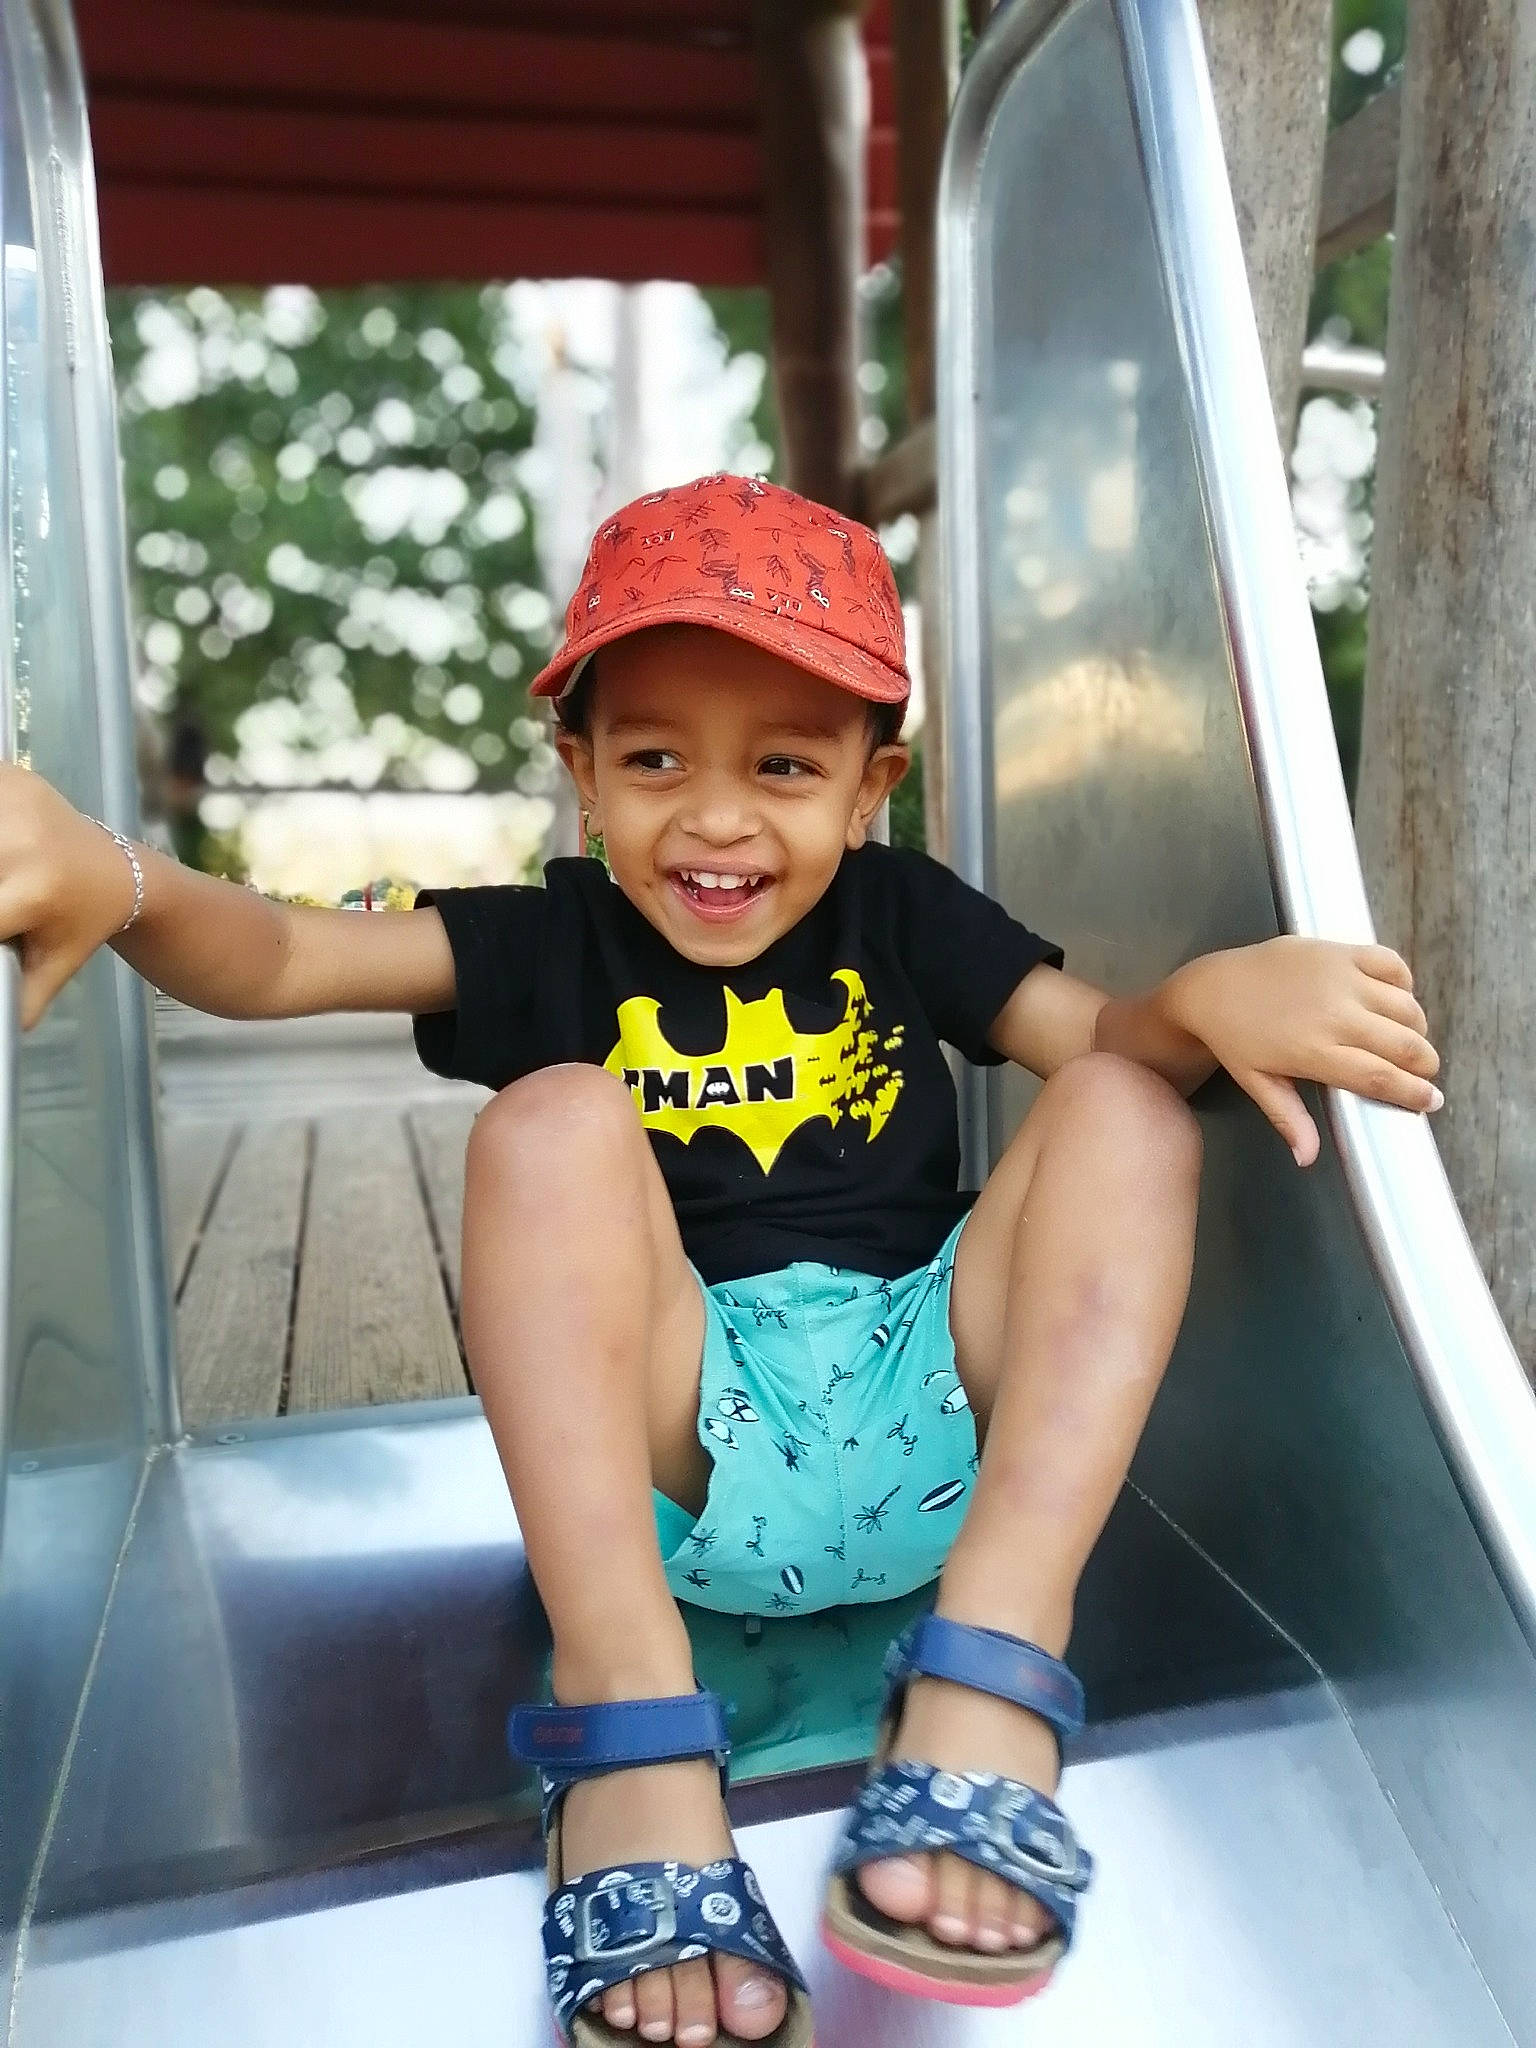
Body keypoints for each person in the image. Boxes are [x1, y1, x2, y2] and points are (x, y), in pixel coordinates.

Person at [0, 474, 1442, 2048]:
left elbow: (1101, 1039)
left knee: (1127, 1111)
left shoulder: (904, 919)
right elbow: (281, 954)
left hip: (934, 1397)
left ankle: (994, 1666)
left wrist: (1203, 1000)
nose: (717, 814)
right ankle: (630, 1735)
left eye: (784, 764)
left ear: (867, 783)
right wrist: (122, 882)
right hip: (684, 1443)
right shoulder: (547, 942)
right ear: (582, 775)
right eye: (655, 758)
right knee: (548, 1123)